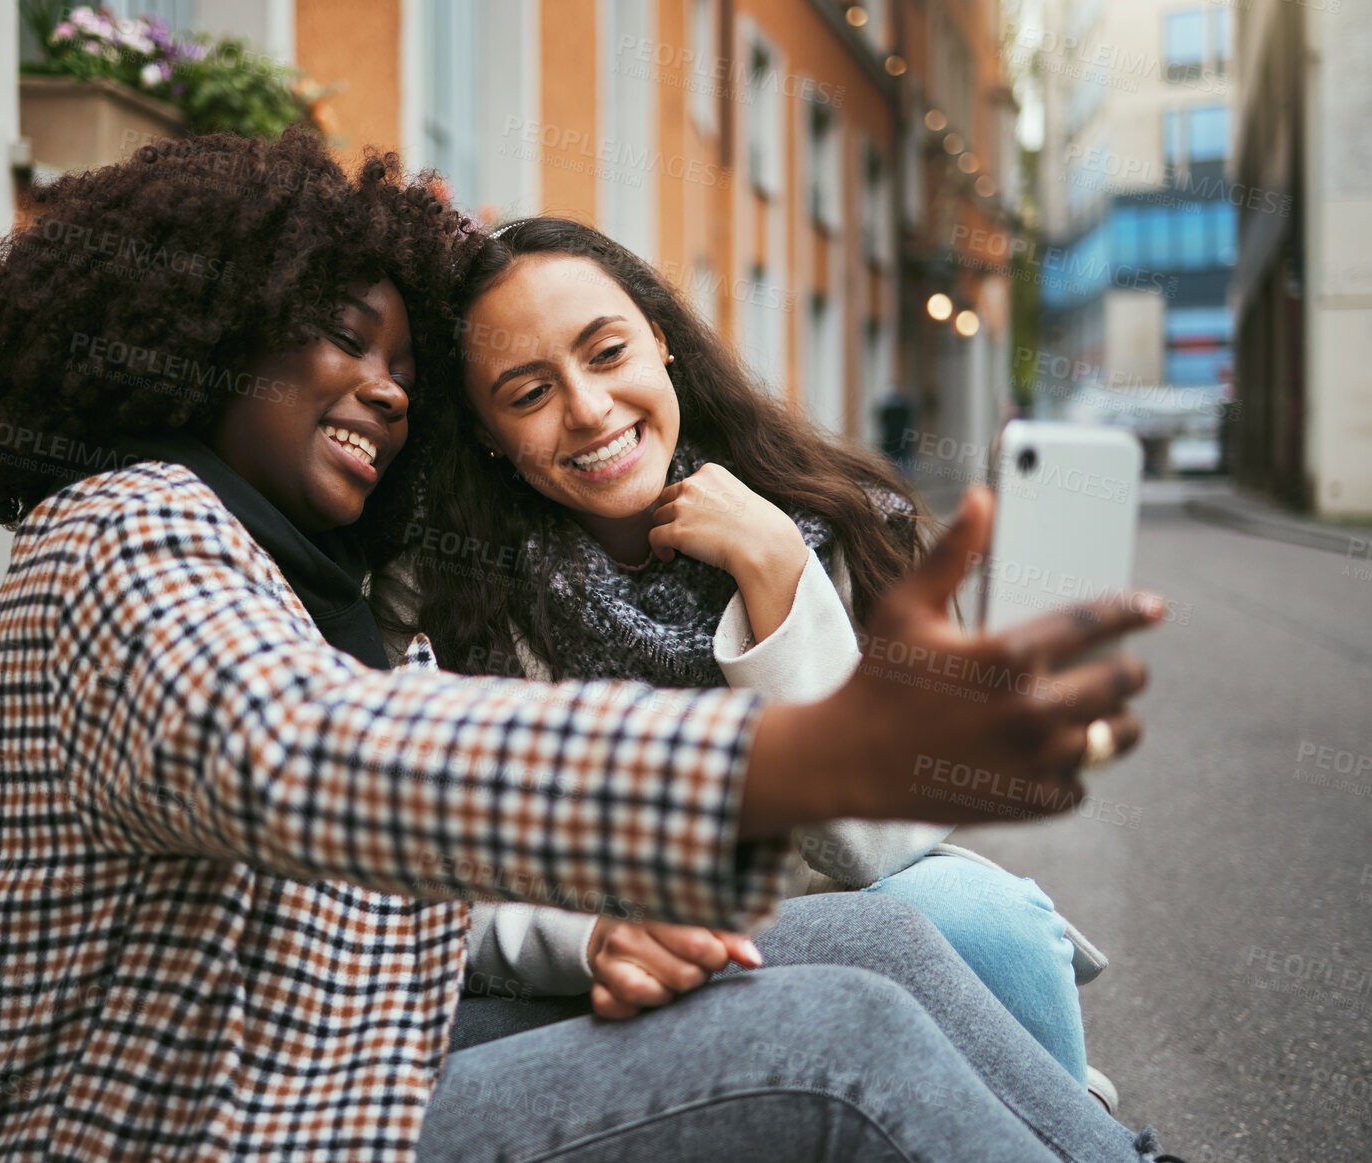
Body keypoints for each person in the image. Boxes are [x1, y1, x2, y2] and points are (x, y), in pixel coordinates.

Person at [0, 130, 1176, 1162]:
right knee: (839, 1038)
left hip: (340, 1032)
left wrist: (594, 930)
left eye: (404, 363)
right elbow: (309, 756)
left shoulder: (289, 569)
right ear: (216, 330)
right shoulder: (132, 528)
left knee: (900, 930)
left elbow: (880, 857)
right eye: (341, 338)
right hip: (203, 1119)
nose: (387, 387)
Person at [382, 217, 1106, 1092]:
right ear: (489, 433)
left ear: (660, 339)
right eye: (529, 393)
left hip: (813, 931)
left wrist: (777, 576)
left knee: (984, 916)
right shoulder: (441, 591)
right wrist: (585, 940)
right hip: (603, 982)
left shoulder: (824, 521)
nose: (588, 408)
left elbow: (880, 843)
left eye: (606, 353)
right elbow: (410, 874)